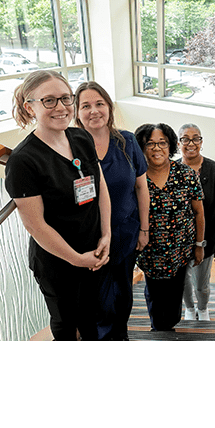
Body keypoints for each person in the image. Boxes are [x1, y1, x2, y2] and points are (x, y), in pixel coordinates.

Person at [4, 70, 111, 341]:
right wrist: (77, 259)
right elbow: (35, 225)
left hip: (92, 249)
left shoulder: (80, 137)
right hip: (58, 261)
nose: (61, 107)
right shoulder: (23, 161)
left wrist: (106, 234)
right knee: (65, 322)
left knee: (90, 314)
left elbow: (101, 188)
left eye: (66, 98)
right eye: (49, 101)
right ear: (30, 106)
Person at [74, 81, 150, 340]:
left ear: (109, 107)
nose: (94, 111)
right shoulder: (69, 147)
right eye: (86, 106)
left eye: (99, 104)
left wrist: (144, 229)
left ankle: (121, 335)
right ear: (77, 112)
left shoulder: (127, 141)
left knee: (124, 295)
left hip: (126, 234)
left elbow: (141, 187)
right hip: (89, 240)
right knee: (99, 301)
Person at [134, 123, 205, 331]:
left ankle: (170, 324)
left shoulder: (186, 174)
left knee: (175, 292)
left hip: (180, 249)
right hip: (150, 250)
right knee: (155, 293)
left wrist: (200, 244)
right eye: (150, 144)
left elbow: (199, 212)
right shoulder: (137, 177)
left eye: (162, 143)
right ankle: (158, 328)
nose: (157, 148)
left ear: (171, 145)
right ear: (142, 147)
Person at [177, 123, 215, 321]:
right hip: (179, 240)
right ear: (179, 143)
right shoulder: (172, 170)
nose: (191, 143)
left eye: (196, 138)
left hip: (207, 239)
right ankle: (189, 308)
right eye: (185, 139)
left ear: (201, 142)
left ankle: (204, 308)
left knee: (201, 283)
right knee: (183, 281)